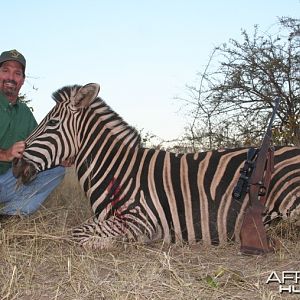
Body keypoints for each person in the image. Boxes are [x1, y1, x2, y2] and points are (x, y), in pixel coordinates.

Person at [0, 49, 65, 217]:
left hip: (9, 181)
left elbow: (39, 146)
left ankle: (9, 216)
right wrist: (6, 154)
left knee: (56, 171)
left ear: (22, 80)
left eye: (17, 73)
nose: (11, 77)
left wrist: (61, 157)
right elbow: (8, 155)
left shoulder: (25, 112)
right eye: (5, 70)